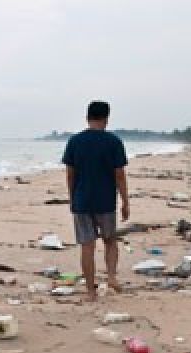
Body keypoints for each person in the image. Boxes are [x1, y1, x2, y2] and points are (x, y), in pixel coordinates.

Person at [61, 100, 129, 301]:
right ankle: (111, 277)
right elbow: (120, 175)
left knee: (87, 246)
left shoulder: (75, 141)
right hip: (106, 201)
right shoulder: (114, 142)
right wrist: (125, 201)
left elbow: (70, 174)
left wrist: (72, 197)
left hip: (82, 200)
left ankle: (90, 292)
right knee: (110, 241)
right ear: (106, 118)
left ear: (87, 117)